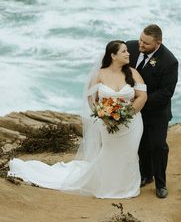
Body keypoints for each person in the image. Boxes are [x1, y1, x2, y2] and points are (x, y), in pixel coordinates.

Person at [8, 40, 147, 199]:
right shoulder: (99, 75)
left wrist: (126, 114)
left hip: (132, 124)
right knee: (110, 151)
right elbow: (91, 100)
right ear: (113, 55)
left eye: (127, 51)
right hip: (108, 123)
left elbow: (142, 96)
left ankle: (128, 187)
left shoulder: (133, 73)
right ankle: (109, 187)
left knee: (129, 153)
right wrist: (104, 116)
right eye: (124, 51)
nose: (128, 54)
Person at [126, 24, 178, 198]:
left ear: (158, 43)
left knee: (158, 146)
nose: (140, 45)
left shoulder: (169, 61)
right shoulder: (131, 47)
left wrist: (140, 99)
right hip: (135, 110)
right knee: (141, 144)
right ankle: (146, 175)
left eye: (146, 43)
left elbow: (166, 93)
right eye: (141, 39)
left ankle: (160, 184)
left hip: (156, 113)